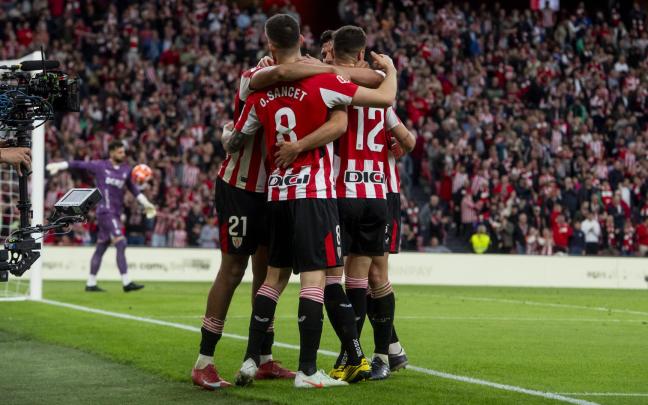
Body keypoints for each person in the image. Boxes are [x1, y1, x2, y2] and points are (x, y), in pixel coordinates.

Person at [225, 14, 398, 389]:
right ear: (302, 41)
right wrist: (392, 71)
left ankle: (252, 360)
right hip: (314, 193)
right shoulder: (324, 80)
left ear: (270, 44)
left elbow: (235, 140)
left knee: (273, 279)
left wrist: (228, 134)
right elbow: (383, 95)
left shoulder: (257, 89)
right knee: (315, 281)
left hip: (276, 192)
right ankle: (307, 371)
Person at [46, 140, 156, 292]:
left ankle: (91, 283)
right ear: (111, 152)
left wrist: (147, 203)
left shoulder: (126, 170)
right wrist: (60, 165)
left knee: (101, 247)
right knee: (121, 243)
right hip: (105, 211)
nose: (123, 154)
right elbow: (79, 164)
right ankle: (126, 282)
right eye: (120, 152)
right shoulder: (100, 166)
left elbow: (134, 190)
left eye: (124, 152)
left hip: (116, 213)